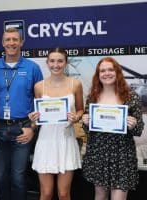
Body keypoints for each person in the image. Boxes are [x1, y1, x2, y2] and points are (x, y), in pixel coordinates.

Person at [0, 27, 43, 200]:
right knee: (1, 177)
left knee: (18, 177)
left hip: (22, 128)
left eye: (15, 39)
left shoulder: (33, 68)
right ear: (2, 43)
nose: (11, 43)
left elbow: (40, 102)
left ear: (21, 42)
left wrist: (33, 128)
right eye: (8, 40)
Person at [81, 57, 144, 200]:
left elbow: (139, 129)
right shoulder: (92, 97)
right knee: (100, 196)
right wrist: (85, 122)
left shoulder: (131, 97)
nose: (106, 73)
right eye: (102, 70)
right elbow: (87, 130)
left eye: (110, 69)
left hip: (122, 155)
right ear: (98, 75)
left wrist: (134, 124)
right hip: (98, 153)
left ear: (117, 72)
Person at [28, 48, 83, 200]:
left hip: (66, 141)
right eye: (52, 61)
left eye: (60, 61)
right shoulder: (39, 86)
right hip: (46, 142)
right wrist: (33, 119)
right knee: (45, 194)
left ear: (66, 63)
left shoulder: (75, 84)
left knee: (64, 194)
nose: (56, 65)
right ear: (47, 63)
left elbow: (80, 110)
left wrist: (76, 117)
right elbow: (37, 120)